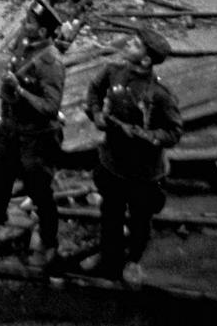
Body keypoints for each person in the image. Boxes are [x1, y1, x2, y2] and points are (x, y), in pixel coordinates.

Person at [82, 26, 183, 288]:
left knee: (140, 219)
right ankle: (109, 257)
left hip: (144, 171)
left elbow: (174, 131)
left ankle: (133, 261)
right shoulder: (112, 72)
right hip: (113, 163)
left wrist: (149, 137)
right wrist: (96, 114)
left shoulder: (160, 94)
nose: (128, 45)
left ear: (147, 59)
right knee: (110, 214)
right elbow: (93, 92)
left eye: (136, 45)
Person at [0, 0, 66, 271]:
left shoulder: (51, 63)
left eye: (30, 22)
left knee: (39, 190)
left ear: (43, 32)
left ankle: (49, 241)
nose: (24, 24)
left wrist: (20, 93)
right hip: (11, 128)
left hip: (36, 137)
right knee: (1, 175)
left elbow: (51, 107)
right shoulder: (24, 43)